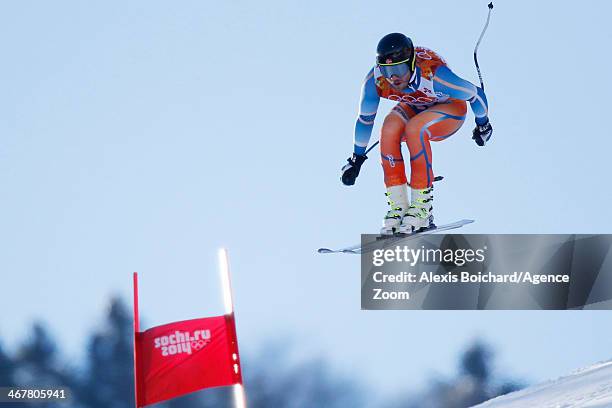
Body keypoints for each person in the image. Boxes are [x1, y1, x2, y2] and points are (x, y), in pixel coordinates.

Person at [341, 33, 492, 234]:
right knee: (389, 128)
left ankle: (422, 208)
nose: (393, 77)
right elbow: (365, 119)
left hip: (450, 109)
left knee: (415, 129)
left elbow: (475, 94)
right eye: (387, 70)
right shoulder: (376, 80)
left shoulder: (434, 75)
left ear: (412, 63)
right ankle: (399, 207)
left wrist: (483, 125)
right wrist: (357, 158)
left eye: (399, 69)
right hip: (416, 103)